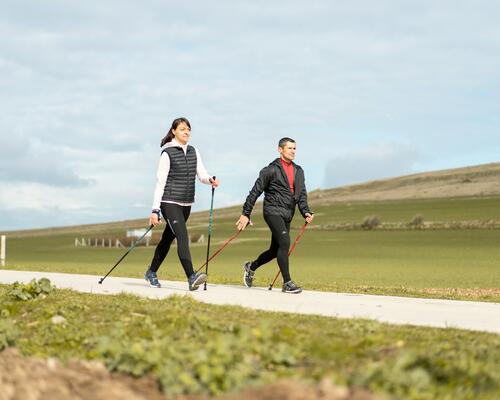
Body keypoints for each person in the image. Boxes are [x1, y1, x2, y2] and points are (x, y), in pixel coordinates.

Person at [145, 117, 219, 290]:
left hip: (186, 205)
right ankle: (191, 277)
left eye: (188, 129)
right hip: (169, 202)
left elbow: (201, 174)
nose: (186, 132)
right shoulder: (167, 153)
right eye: (182, 129)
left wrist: (210, 180)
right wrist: (155, 210)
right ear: (174, 132)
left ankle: (151, 272)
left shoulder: (193, 151)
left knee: (166, 240)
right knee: (182, 237)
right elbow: (160, 182)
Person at [236, 137, 313, 294]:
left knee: (275, 250)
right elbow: (255, 192)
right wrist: (246, 213)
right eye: (289, 148)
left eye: (294, 148)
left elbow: (301, 194)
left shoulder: (299, 171)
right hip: (272, 211)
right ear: (280, 150)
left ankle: (251, 267)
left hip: (287, 214)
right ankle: (287, 283)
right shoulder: (270, 170)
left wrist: (305, 211)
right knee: (285, 241)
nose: (293, 151)